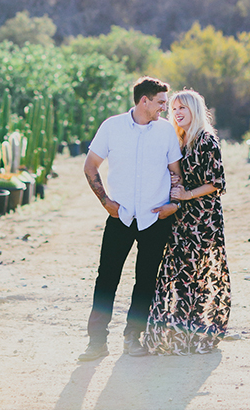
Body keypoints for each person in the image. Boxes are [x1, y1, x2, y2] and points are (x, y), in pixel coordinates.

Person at [78, 76, 183, 361]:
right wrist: (105, 201)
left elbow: (176, 172)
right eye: (161, 102)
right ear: (144, 100)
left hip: (155, 218)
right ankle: (96, 342)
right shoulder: (111, 127)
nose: (165, 108)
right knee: (106, 279)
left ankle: (132, 338)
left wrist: (173, 204)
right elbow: (90, 167)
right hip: (120, 217)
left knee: (145, 281)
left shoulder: (166, 132)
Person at [143, 88, 231, 355]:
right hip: (180, 219)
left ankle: (193, 336)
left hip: (203, 221)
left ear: (195, 110)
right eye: (174, 109)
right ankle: (174, 336)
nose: (177, 113)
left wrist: (187, 194)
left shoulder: (206, 140)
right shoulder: (179, 140)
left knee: (195, 278)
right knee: (177, 276)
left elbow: (217, 183)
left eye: (183, 108)